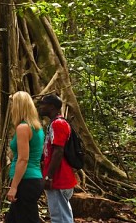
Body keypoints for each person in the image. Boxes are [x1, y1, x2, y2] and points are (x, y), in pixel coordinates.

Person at [5, 91, 45, 223]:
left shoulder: (23, 128)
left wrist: (14, 186)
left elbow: (23, 158)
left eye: (13, 105)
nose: (11, 108)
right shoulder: (37, 127)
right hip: (33, 179)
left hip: (26, 181)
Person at [38, 94, 77, 223]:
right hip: (59, 178)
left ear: (52, 106)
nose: (40, 107)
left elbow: (58, 151)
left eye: (43, 104)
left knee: (59, 217)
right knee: (62, 214)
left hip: (59, 178)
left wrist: (49, 177)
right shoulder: (54, 123)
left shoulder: (58, 124)